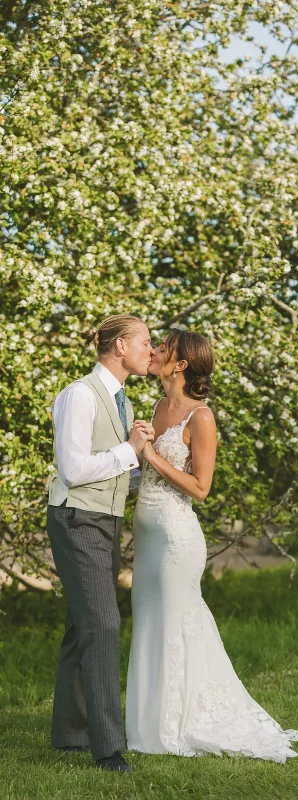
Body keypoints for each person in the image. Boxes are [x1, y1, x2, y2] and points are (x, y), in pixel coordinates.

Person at [126, 329, 298, 761]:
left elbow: (201, 488)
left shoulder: (201, 417)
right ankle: (146, 722)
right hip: (146, 537)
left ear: (181, 364)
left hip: (175, 540)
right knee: (150, 625)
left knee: (175, 627)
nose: (155, 352)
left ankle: (176, 726)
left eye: (163, 348)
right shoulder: (158, 405)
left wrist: (150, 455)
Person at [47, 314, 155, 773]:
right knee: (105, 624)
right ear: (120, 346)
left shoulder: (122, 401)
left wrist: (143, 464)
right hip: (77, 520)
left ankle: (69, 734)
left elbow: (111, 470)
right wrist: (130, 451)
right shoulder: (79, 396)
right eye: (146, 342)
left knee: (84, 624)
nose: (151, 351)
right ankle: (108, 746)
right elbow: (73, 469)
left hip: (104, 521)